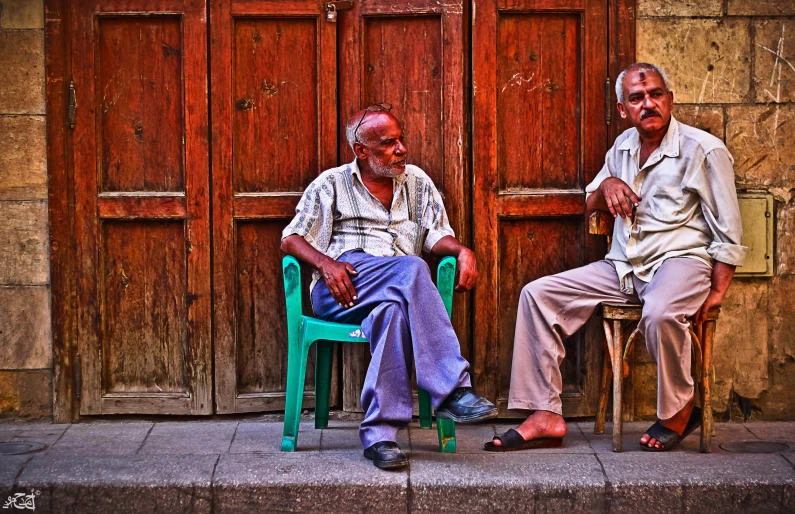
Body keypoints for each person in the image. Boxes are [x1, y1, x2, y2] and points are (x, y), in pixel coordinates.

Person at [486, 63, 746, 452]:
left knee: (658, 310)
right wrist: (607, 184)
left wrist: (718, 292)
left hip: (681, 261)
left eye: (656, 94)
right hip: (624, 266)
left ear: (670, 100)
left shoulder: (703, 150)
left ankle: (679, 409)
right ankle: (545, 414)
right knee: (538, 294)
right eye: (637, 98)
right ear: (624, 109)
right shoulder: (622, 146)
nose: (649, 104)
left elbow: (729, 230)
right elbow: (589, 201)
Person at [281, 103, 497, 469]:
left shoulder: (416, 182)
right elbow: (291, 239)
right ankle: (452, 389)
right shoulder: (331, 184)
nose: (401, 150)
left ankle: (380, 436)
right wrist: (326, 265)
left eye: (401, 140)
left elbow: (436, 235)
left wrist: (461, 249)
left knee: (393, 313)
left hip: (394, 290)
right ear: (361, 150)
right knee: (412, 268)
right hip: (342, 288)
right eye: (388, 143)